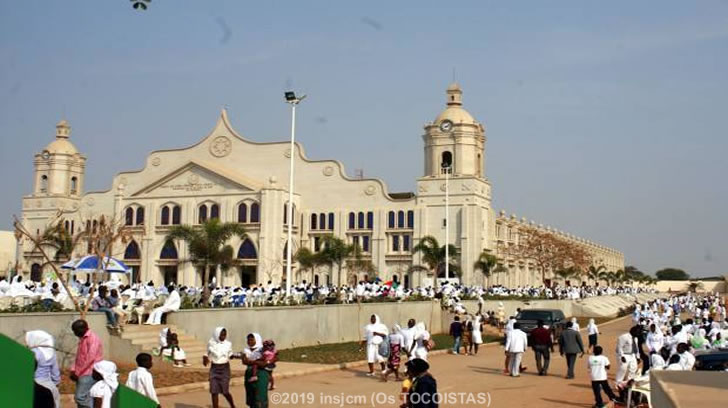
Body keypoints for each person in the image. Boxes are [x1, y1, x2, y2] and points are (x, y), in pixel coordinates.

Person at [71, 319, 104, 408]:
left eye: (76, 330)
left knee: (80, 397)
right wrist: (73, 369)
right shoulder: (83, 338)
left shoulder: (93, 338)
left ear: (84, 328)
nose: (74, 333)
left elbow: (90, 358)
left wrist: (78, 372)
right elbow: (79, 356)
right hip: (81, 373)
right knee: (85, 397)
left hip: (89, 373)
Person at [26, 330, 61, 408]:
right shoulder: (51, 352)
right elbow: (55, 374)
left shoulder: (33, 352)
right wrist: (55, 385)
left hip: (36, 385)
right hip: (50, 386)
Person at [204, 327, 236, 408]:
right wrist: (205, 359)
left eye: (224, 335)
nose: (223, 337)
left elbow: (230, 354)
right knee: (214, 391)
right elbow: (206, 354)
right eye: (221, 335)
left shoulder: (228, 344)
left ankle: (232, 405)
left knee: (225, 391)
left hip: (224, 368)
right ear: (216, 334)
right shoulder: (211, 343)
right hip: (214, 368)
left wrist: (236, 356)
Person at [243, 332, 270, 408]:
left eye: (252, 340)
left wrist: (251, 362)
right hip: (249, 373)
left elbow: (264, 364)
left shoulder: (262, 349)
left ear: (257, 340)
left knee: (260, 395)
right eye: (248, 340)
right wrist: (256, 362)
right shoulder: (246, 349)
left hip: (261, 374)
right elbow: (244, 361)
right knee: (251, 394)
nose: (249, 342)